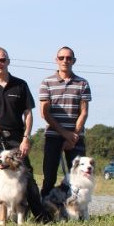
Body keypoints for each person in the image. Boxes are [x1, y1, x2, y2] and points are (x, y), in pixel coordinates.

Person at [0, 46, 51, 223]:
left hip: (16, 139)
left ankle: (40, 215)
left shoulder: (20, 85)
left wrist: (26, 138)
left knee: (27, 177)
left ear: (8, 61)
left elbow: (28, 113)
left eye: (2, 60)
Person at [38, 46, 91, 196]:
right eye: (61, 58)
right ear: (56, 60)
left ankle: (77, 212)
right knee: (49, 176)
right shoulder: (47, 82)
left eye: (68, 58)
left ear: (74, 60)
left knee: (78, 177)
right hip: (53, 136)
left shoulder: (82, 83)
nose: (65, 61)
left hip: (76, 137)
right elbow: (45, 113)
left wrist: (73, 136)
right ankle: (45, 211)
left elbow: (84, 112)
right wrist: (64, 133)